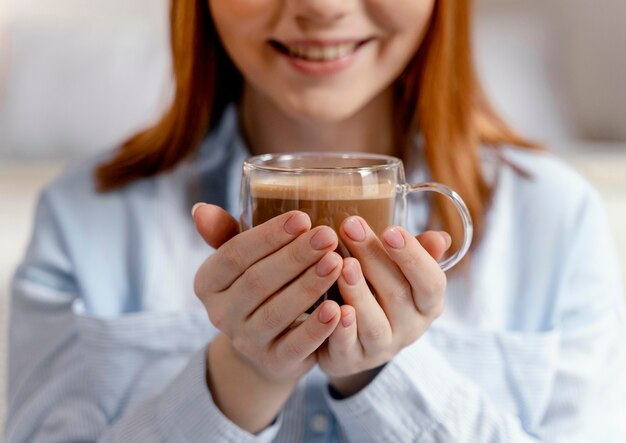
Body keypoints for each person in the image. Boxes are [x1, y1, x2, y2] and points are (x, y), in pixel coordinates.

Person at [5, 0, 626, 441]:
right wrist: (241, 375)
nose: (323, 7)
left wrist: (381, 371)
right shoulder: (82, 217)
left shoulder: (553, 217)